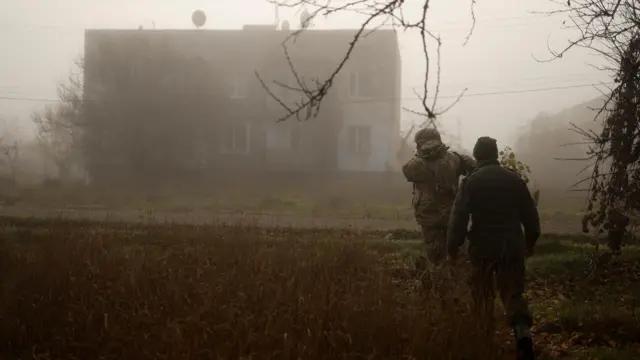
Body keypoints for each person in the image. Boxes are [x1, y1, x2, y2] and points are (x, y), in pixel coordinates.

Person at [446, 136, 540, 360]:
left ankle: (484, 340)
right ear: (496, 155)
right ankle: (522, 334)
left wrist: (452, 248)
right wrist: (530, 243)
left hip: (482, 247)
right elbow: (531, 217)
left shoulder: (471, 181)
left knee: (482, 294)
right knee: (513, 293)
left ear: (477, 156)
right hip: (512, 246)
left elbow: (458, 218)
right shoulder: (515, 179)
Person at [401, 127, 476, 266]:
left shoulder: (418, 163)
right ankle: (459, 283)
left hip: (431, 218)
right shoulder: (454, 159)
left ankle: (443, 284)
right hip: (452, 216)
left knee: (437, 259)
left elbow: (407, 171)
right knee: (458, 254)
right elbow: (475, 167)